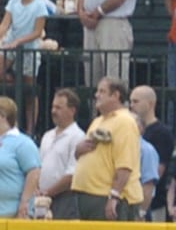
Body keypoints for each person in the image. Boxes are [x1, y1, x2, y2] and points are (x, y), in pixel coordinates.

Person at [60, 77, 141, 221]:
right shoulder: (98, 121)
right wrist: (78, 150)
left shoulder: (125, 122)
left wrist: (114, 196)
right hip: (87, 195)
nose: (96, 95)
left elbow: (125, 165)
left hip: (107, 197)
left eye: (102, 91)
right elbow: (88, 154)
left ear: (115, 95)